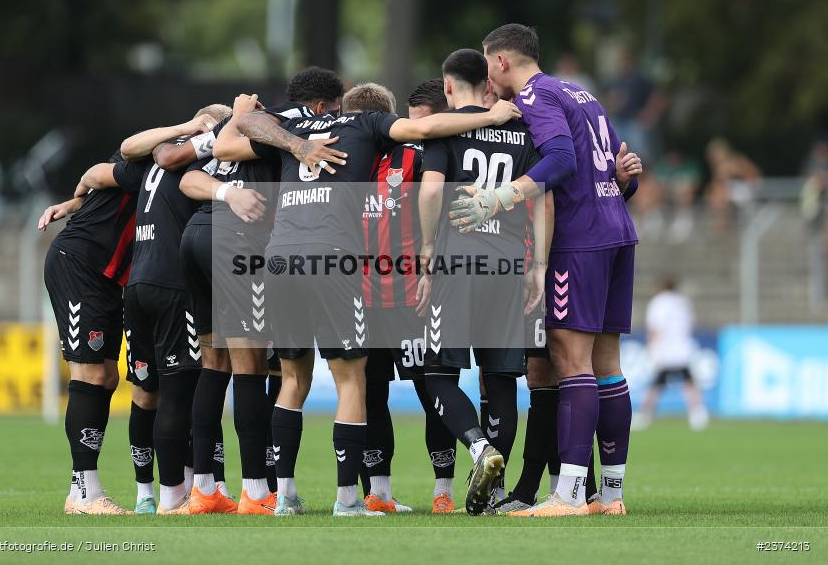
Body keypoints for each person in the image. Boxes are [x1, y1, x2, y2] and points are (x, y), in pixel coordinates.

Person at [217, 83, 521, 516]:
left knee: (291, 380)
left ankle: (284, 496)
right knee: (355, 380)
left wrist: (267, 126)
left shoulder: (293, 129)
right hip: (338, 262)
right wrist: (490, 117)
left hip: (279, 258)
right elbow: (426, 128)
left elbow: (229, 141)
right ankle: (350, 500)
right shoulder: (366, 127)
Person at [458, 23, 642, 517]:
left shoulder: (536, 96)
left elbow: (560, 160)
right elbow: (618, 168)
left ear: (501, 61)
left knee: (570, 361)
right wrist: (626, 182)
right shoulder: (582, 94)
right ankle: (611, 495)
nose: (488, 78)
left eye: (488, 64)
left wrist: (501, 196)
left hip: (579, 241)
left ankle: (570, 496)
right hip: (617, 231)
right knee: (607, 365)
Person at [178, 71, 345, 515]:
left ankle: (205, 489)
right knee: (250, 366)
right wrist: (235, 195)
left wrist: (223, 189)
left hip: (196, 236)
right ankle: (255, 491)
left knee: (214, 363)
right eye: (336, 109)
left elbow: (187, 178)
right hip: (238, 242)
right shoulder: (289, 130)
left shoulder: (239, 125)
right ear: (320, 107)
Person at [74, 104, 233, 515]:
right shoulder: (202, 160)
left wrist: (72, 203)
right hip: (173, 284)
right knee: (182, 391)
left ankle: (148, 493)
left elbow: (99, 173)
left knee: (147, 392)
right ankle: (174, 496)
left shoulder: (154, 161)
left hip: (137, 286)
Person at [418, 48, 543, 516]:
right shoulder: (519, 130)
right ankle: (492, 494)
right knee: (502, 380)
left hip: (458, 261)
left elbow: (432, 189)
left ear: (447, 86)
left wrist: (428, 247)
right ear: (488, 83)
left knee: (438, 375)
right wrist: (536, 264)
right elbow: (541, 197)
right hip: (508, 263)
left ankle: (478, 448)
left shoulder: (446, 129)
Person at [358, 78, 457, 514]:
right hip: (365, 299)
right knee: (371, 395)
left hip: (414, 296)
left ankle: (442, 492)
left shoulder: (420, 156)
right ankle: (379, 494)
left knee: (431, 390)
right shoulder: (349, 160)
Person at [635, 276, 708, 430]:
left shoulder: (658, 302)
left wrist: (651, 347)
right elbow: (691, 323)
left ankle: (644, 413)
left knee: (656, 384)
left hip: (665, 350)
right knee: (688, 381)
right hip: (683, 348)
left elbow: (655, 328)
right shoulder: (683, 302)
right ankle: (698, 413)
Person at [704, 137, 761, 235]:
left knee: (720, 195)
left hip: (745, 192)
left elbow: (755, 178)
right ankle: (720, 226)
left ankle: (722, 227)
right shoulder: (718, 168)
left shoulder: (737, 161)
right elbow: (717, 185)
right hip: (728, 195)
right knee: (715, 194)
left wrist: (737, 172)